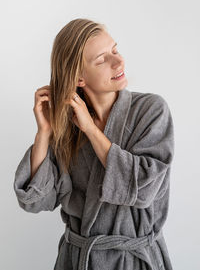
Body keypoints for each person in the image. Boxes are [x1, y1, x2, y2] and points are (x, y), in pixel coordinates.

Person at [13, 18, 175, 270]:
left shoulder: (151, 111)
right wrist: (44, 132)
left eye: (115, 50)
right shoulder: (67, 128)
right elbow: (35, 202)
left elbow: (143, 190)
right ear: (79, 78)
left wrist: (89, 128)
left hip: (134, 261)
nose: (119, 61)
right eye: (102, 59)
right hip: (78, 262)